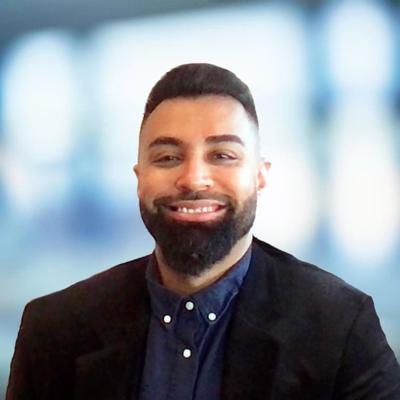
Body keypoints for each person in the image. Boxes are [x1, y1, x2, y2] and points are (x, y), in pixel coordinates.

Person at [7, 63, 400, 400]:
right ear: (139, 178)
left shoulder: (339, 327)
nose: (194, 178)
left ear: (260, 175)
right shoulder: (53, 330)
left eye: (222, 155)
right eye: (167, 157)